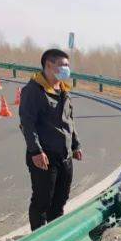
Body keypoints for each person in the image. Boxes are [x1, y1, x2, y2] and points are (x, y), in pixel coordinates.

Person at [19, 48, 82, 230]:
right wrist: (36, 151)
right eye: (62, 65)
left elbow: (69, 120)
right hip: (44, 156)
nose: (66, 69)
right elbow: (27, 124)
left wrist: (76, 144)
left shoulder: (63, 90)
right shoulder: (33, 90)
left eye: (67, 65)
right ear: (49, 65)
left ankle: (54, 237)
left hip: (65, 156)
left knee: (60, 201)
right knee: (42, 202)